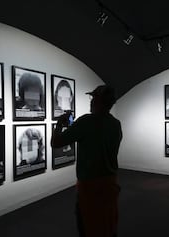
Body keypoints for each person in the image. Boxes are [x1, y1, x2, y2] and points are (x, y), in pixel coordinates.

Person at [51, 85, 122, 237]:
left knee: (89, 227)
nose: (91, 101)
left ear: (98, 101)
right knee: (108, 225)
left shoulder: (86, 122)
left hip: (90, 187)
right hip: (110, 183)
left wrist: (58, 125)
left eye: (93, 98)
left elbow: (56, 143)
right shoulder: (116, 124)